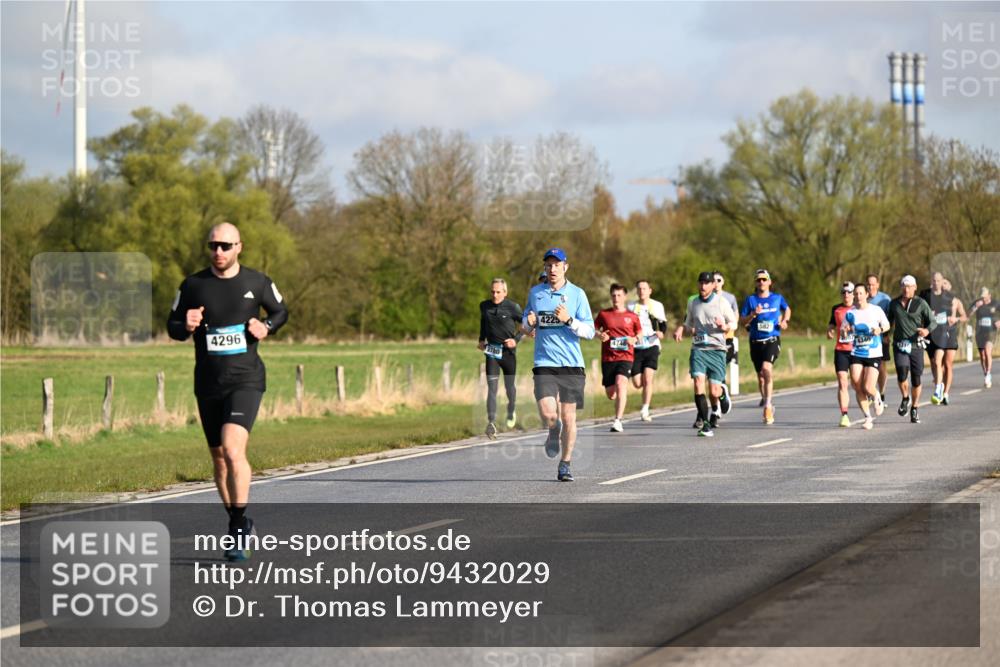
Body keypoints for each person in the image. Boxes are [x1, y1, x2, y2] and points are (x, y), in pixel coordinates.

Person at [167, 222, 288, 561]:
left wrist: (266, 326)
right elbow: (172, 326)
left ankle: (237, 530)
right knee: (219, 459)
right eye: (213, 246)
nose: (218, 252)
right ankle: (240, 521)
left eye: (224, 245)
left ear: (239, 247)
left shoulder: (257, 282)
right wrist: (185, 324)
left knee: (234, 451)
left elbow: (281, 311)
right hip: (207, 383)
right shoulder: (193, 285)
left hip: (246, 380)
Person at [522, 248, 595, 482]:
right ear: (545, 268)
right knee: (548, 413)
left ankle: (565, 464)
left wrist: (569, 320)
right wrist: (528, 322)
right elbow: (525, 324)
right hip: (544, 362)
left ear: (566, 266)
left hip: (572, 364)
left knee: (569, 416)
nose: (552, 269)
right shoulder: (536, 293)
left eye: (556, 264)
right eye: (548, 265)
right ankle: (553, 430)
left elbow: (590, 331)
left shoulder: (577, 294)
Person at [674, 272, 737, 437]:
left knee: (714, 392)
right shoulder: (693, 303)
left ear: (712, 286)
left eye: (706, 283)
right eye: (701, 283)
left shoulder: (721, 302)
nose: (703, 286)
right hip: (699, 349)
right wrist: (682, 329)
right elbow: (688, 322)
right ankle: (706, 424)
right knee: (697, 383)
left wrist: (724, 326)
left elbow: (734, 323)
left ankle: (722, 395)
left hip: (717, 350)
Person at [739, 269, 791, 425]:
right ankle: (766, 400)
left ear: (769, 282)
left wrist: (785, 321)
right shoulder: (751, 300)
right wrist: (753, 315)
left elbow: (787, 309)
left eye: (764, 279)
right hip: (755, 342)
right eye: (758, 280)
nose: (761, 282)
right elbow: (742, 322)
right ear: (756, 283)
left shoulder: (777, 298)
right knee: (761, 378)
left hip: (772, 339)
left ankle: (768, 406)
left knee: (766, 369)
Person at [887, 275, 936, 424]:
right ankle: (905, 398)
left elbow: (932, 322)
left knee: (916, 379)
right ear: (901, 287)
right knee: (902, 373)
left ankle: (914, 408)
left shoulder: (921, 303)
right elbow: (888, 321)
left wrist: (927, 331)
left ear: (914, 288)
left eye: (909, 286)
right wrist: (885, 335)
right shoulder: (894, 303)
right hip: (900, 345)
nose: (906, 289)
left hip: (915, 346)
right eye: (904, 286)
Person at [478, 279, 523, 439]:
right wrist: (481, 340)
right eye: (492, 292)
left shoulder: (513, 307)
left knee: (509, 388)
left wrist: (515, 340)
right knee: (492, 388)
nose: (495, 295)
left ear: (505, 292)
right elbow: (484, 323)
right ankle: (491, 423)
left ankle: (511, 410)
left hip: (508, 353)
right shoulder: (485, 306)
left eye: (498, 292)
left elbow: (526, 325)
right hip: (492, 352)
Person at [843, 283, 890, 430]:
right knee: (856, 384)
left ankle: (877, 397)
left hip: (873, 353)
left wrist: (880, 329)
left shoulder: (876, 310)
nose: (858, 296)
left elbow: (887, 325)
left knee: (868, 387)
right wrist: (846, 331)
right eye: (855, 294)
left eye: (860, 293)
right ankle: (868, 417)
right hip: (857, 352)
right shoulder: (851, 313)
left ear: (866, 295)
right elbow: (845, 332)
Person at [595, 284, 641, 432]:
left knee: (621, 383)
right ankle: (617, 402)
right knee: (611, 393)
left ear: (625, 297)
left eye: (619, 295)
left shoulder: (632, 316)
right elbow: (593, 329)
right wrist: (600, 335)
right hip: (608, 358)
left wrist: (634, 339)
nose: (616, 298)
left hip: (626, 357)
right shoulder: (604, 314)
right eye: (614, 295)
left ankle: (618, 420)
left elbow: (639, 333)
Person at [921, 273, 966, 405]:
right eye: (936, 281)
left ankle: (944, 392)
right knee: (936, 363)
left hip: (949, 333)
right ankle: (939, 384)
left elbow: (964, 316)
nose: (942, 285)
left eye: (944, 283)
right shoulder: (930, 296)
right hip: (935, 332)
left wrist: (955, 319)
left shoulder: (953, 300)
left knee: (947, 364)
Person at [627, 279, 667, 422]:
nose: (641, 291)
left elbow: (663, 324)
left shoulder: (657, 306)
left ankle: (645, 409)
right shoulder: (631, 306)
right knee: (638, 383)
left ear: (650, 290)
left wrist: (661, 333)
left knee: (648, 378)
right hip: (636, 347)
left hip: (652, 345)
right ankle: (646, 390)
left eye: (644, 288)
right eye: (639, 289)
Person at [827, 282, 856, 427]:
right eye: (843, 292)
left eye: (849, 292)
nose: (846, 295)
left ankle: (871, 393)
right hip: (841, 350)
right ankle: (844, 414)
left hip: (857, 351)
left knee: (857, 383)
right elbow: (832, 324)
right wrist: (830, 330)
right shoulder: (836, 309)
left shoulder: (859, 308)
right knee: (843, 383)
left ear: (853, 293)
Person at [712, 271, 737, 419]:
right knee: (712, 373)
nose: (716, 283)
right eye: (713, 280)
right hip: (711, 341)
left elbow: (735, 319)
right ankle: (720, 395)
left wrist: (725, 327)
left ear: (723, 282)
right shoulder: (705, 299)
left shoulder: (729, 298)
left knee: (719, 367)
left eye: (719, 280)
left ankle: (721, 392)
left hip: (726, 340)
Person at [866, 274, 893, 404]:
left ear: (877, 285)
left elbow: (891, 319)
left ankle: (881, 393)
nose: (871, 287)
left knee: (881, 367)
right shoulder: (861, 298)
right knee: (866, 367)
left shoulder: (885, 299)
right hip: (865, 340)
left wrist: (887, 335)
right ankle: (870, 392)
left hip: (881, 338)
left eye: (873, 284)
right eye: (868, 284)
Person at [969, 287, 1000, 388]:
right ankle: (986, 373)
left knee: (987, 352)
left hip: (991, 331)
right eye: (982, 297)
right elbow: (967, 315)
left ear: (989, 295)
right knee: (982, 356)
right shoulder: (977, 303)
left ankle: (988, 374)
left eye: (985, 297)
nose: (983, 299)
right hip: (980, 332)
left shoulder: (996, 303)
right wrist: (975, 307)